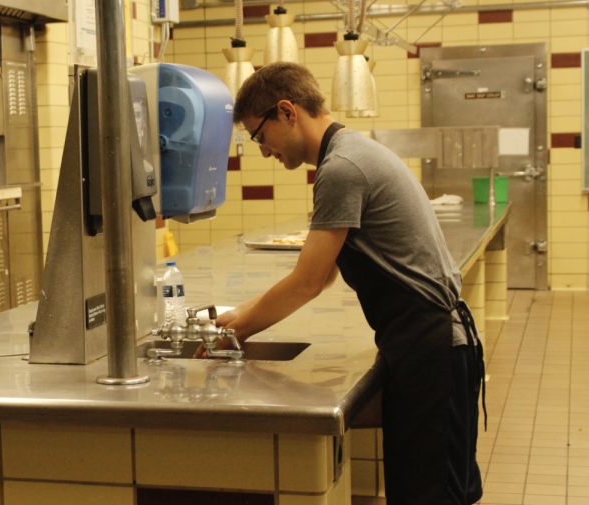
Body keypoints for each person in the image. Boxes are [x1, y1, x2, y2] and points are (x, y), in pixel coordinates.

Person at [199, 61, 485, 504]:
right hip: (427, 345)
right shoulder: (349, 153)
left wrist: (236, 331)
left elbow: (307, 283)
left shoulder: (342, 168)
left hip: (432, 349)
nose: (263, 151)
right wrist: (239, 314)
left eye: (259, 136)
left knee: (432, 496)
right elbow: (326, 273)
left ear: (287, 112)